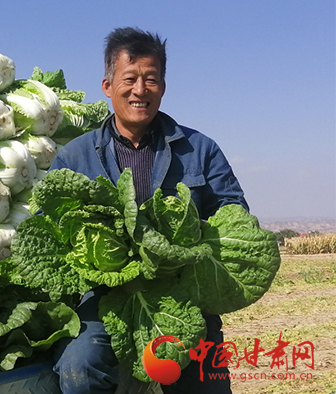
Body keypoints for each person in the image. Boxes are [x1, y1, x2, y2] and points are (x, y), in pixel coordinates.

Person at [49, 27, 248, 394]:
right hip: (106, 294)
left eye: (151, 79)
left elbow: (233, 215)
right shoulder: (74, 157)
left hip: (181, 290)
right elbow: (49, 232)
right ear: (108, 85)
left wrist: (184, 251)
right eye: (130, 79)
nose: (140, 90)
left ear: (163, 86)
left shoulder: (200, 149)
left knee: (204, 379)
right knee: (81, 365)